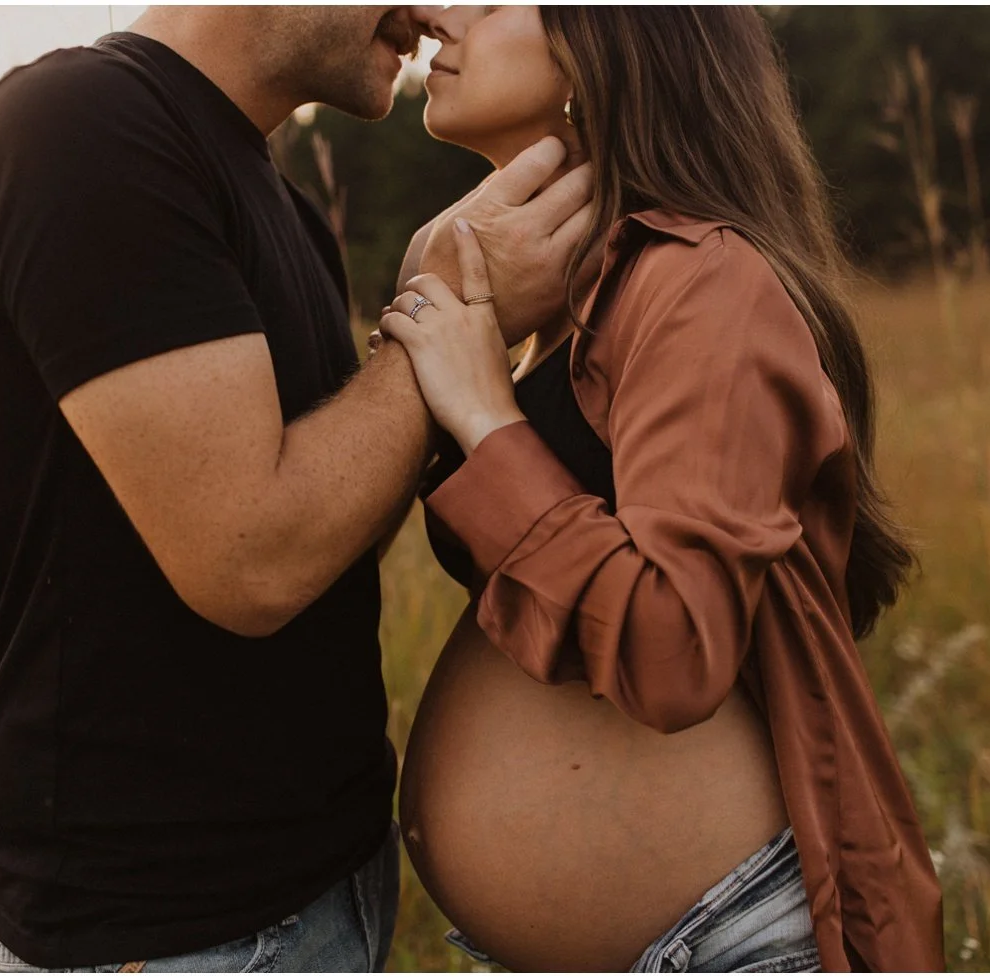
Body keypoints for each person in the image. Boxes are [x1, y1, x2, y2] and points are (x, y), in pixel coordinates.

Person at [0, 5, 597, 972]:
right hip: (173, 935)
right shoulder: (81, 126)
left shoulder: (280, 208)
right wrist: (456, 319)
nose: (428, 10)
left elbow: (330, 534)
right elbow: (255, 560)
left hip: (314, 903)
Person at [380, 6, 945, 972]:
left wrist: (485, 420)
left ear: (604, 42)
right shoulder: (570, 300)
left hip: (727, 944)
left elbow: (674, 645)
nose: (435, 12)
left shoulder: (704, 280)